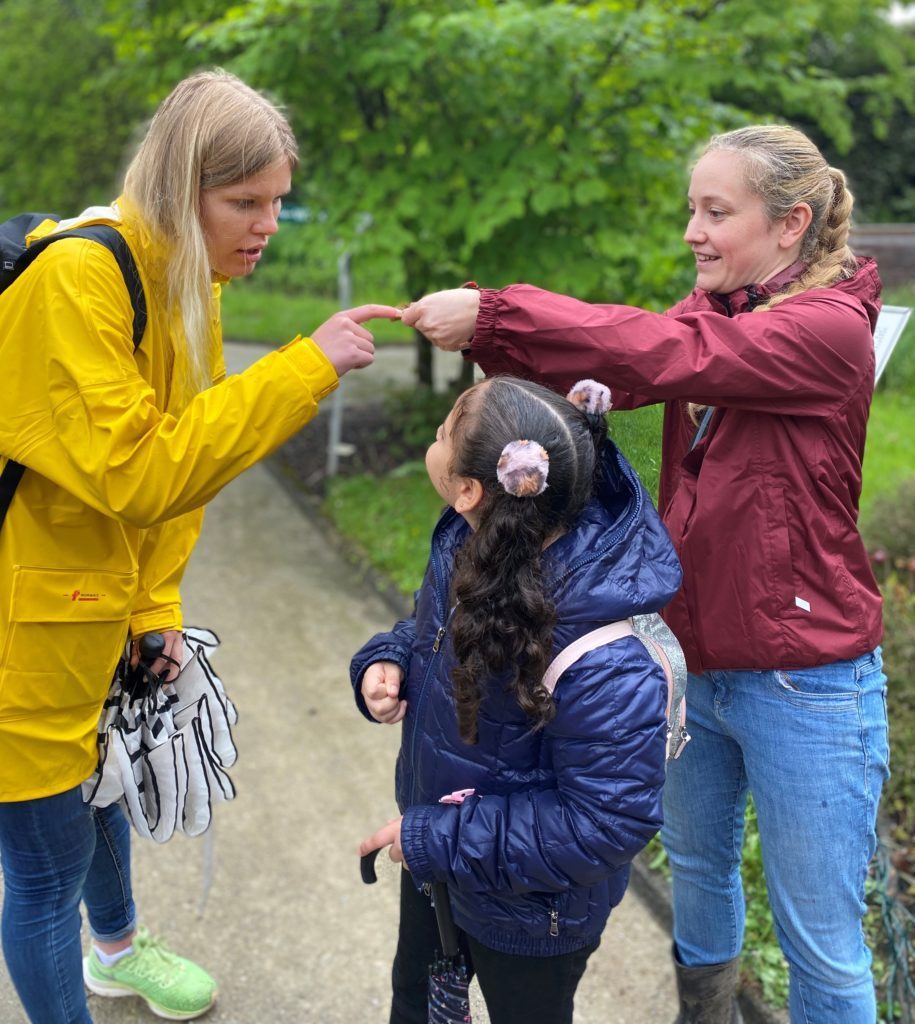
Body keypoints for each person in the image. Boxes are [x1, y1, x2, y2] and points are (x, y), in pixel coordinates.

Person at [399, 125, 888, 1024]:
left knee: (818, 940)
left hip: (802, 681)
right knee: (698, 880)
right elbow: (629, 359)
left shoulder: (825, 333)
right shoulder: (719, 309)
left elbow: (666, 358)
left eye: (715, 211)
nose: (693, 232)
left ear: (790, 225)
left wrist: (500, 313)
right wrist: (503, 355)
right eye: (689, 211)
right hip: (694, 665)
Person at [0, 69, 399, 1024]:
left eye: (276, 202)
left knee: (104, 793)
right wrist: (304, 369)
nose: (265, 225)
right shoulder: (80, 276)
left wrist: (155, 609)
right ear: (183, 188)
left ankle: (119, 953)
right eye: (244, 201)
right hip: (24, 623)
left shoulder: (193, 281)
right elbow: (143, 469)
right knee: (46, 866)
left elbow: (186, 472)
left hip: (95, 608)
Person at [354, 374, 682, 1024]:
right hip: (437, 858)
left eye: (444, 431)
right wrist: (387, 659)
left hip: (534, 913)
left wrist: (438, 837)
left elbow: (606, 823)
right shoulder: (467, 539)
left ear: (470, 487)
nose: (436, 435)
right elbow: (432, 632)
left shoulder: (601, 657)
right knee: (413, 1001)